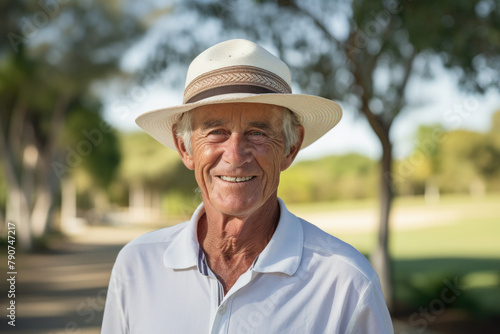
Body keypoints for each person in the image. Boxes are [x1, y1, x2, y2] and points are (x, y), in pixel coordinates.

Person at [101, 39, 393, 334]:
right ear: (185, 148)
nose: (235, 154)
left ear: (291, 148)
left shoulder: (347, 282)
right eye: (216, 132)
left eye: (257, 132)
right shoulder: (136, 265)